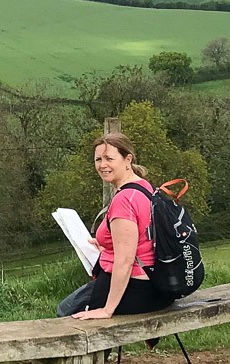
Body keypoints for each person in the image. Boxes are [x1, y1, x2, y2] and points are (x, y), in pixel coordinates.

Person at [63, 134, 174, 321]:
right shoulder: (144, 187)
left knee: (67, 311)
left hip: (139, 289)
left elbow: (125, 261)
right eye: (98, 159)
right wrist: (105, 247)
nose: (102, 165)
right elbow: (142, 240)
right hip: (159, 285)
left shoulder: (124, 199)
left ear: (127, 159)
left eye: (109, 158)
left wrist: (107, 310)